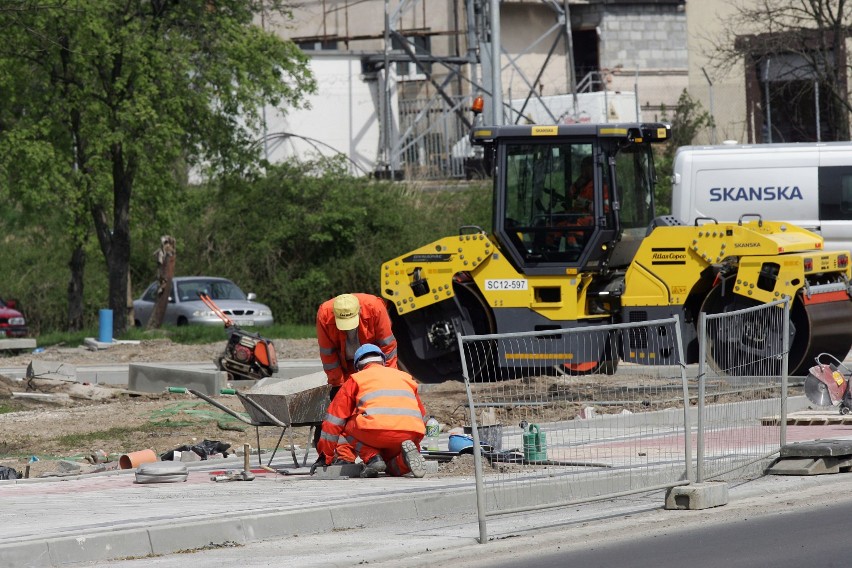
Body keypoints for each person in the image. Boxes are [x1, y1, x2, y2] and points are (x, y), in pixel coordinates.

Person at [312, 344, 428, 478]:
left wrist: (324, 457)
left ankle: (372, 457)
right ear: (382, 362)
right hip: (408, 434)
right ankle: (403, 461)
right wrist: (416, 442)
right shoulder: (405, 377)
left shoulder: (356, 379)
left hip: (376, 433)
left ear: (358, 367)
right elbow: (422, 416)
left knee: (346, 422)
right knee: (390, 465)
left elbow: (333, 420)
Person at [316, 293, 398, 400]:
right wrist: (337, 384)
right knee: (349, 399)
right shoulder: (324, 315)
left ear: (359, 311)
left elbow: (388, 347)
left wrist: (387, 377)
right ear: (335, 315)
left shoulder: (375, 307)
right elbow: (329, 355)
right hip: (346, 365)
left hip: (373, 362)